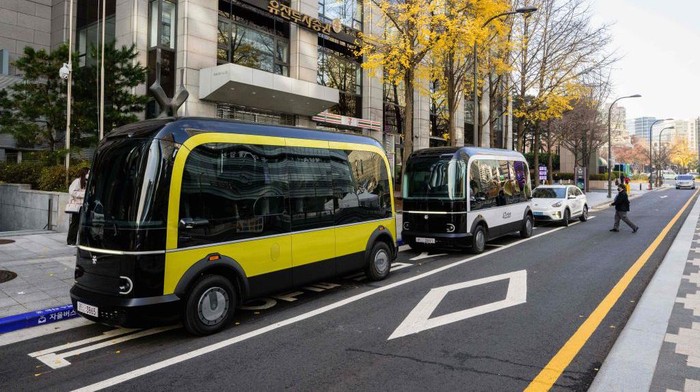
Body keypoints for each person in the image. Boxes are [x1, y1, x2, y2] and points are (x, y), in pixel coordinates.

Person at [66, 167, 89, 245]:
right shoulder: (77, 181)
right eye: (88, 173)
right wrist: (84, 194)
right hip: (77, 206)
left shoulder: (87, 182)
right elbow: (72, 192)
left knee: (82, 224)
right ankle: (71, 241)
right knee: (75, 224)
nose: (89, 174)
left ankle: (82, 242)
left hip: (84, 206)